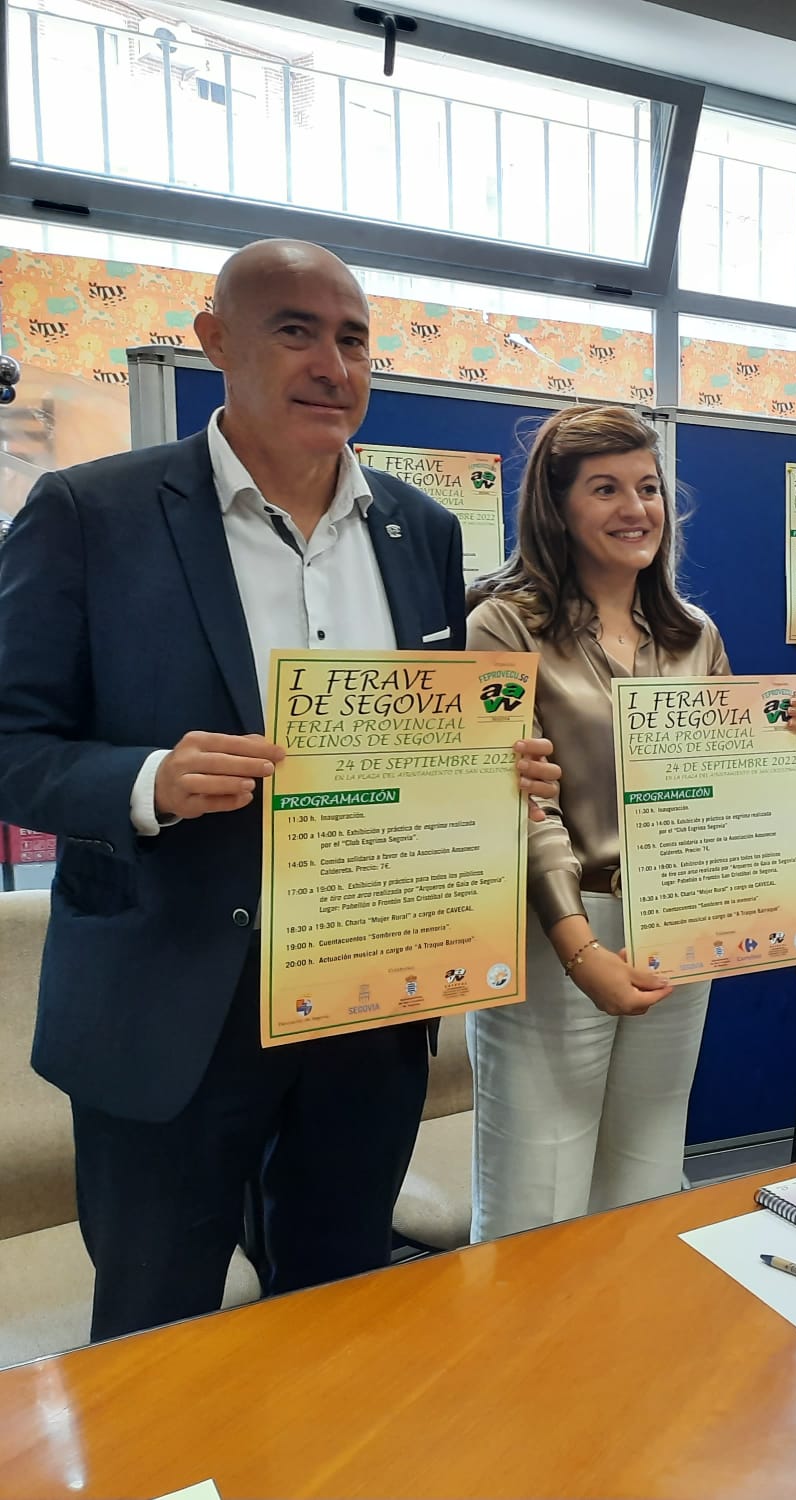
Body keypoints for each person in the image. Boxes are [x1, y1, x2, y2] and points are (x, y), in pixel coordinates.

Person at [0, 239, 559, 1339]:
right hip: (170, 1007)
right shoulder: (88, 511)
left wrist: (490, 774)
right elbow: (14, 739)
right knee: (157, 1333)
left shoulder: (421, 530)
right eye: (293, 329)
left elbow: (423, 739)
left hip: (368, 991)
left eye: (351, 337)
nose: (331, 363)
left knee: (339, 1312)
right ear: (216, 343)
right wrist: (150, 779)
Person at [464, 405, 796, 1240]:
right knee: (539, 1190)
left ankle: (630, 1360)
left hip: (676, 921)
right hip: (555, 923)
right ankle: (532, 1372)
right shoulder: (499, 622)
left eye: (648, 487)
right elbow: (513, 798)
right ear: (556, 508)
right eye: (605, 489)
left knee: (645, 1177)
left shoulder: (690, 634)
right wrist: (577, 946)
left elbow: (723, 788)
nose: (636, 509)